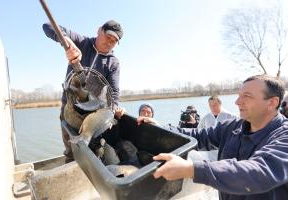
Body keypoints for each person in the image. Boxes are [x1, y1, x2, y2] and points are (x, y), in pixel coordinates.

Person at [145, 75, 288, 200]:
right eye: (239, 95)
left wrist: (192, 169)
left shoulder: (284, 135)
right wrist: (161, 127)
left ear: (272, 102)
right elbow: (197, 136)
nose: (237, 102)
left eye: (247, 96)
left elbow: (258, 172)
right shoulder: (231, 126)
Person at [43, 20, 123, 163]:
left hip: (93, 113)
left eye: (114, 41)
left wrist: (113, 109)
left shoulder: (113, 63)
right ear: (99, 30)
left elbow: (114, 92)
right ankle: (70, 165)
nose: (110, 42)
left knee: (92, 150)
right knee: (71, 149)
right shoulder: (82, 42)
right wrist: (66, 41)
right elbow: (47, 26)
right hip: (69, 108)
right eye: (108, 36)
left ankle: (90, 170)